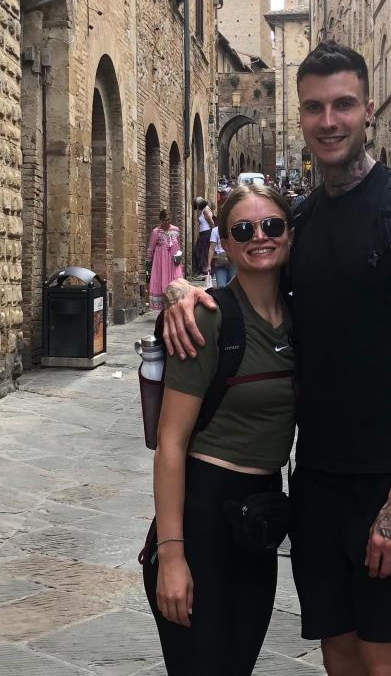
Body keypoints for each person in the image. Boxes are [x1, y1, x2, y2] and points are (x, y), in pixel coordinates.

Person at [159, 41, 391, 676]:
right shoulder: (297, 224)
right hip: (316, 490)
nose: (329, 121)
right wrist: (179, 291)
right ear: (299, 117)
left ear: (368, 110)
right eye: (315, 108)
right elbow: (254, 283)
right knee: (343, 661)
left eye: (343, 105)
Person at [143, 184, 296, 673]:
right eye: (243, 230)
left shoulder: (302, 316)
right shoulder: (205, 319)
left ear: (290, 234)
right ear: (224, 243)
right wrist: (171, 557)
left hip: (261, 519)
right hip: (203, 515)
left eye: (272, 226)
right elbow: (169, 444)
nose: (260, 237)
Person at [145, 210, 184, 311]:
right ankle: (164, 308)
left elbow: (178, 245)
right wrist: (148, 265)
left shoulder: (176, 230)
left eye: (168, 220)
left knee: (176, 281)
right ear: (161, 220)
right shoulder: (156, 232)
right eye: (164, 220)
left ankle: (175, 306)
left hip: (173, 262)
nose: (166, 223)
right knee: (163, 283)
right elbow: (150, 248)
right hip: (160, 262)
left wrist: (179, 255)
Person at [192, 197, 215, 276]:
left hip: (207, 233)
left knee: (203, 252)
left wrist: (213, 233)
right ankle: (204, 271)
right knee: (199, 251)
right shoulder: (203, 210)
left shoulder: (206, 210)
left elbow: (211, 222)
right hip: (202, 234)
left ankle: (205, 271)